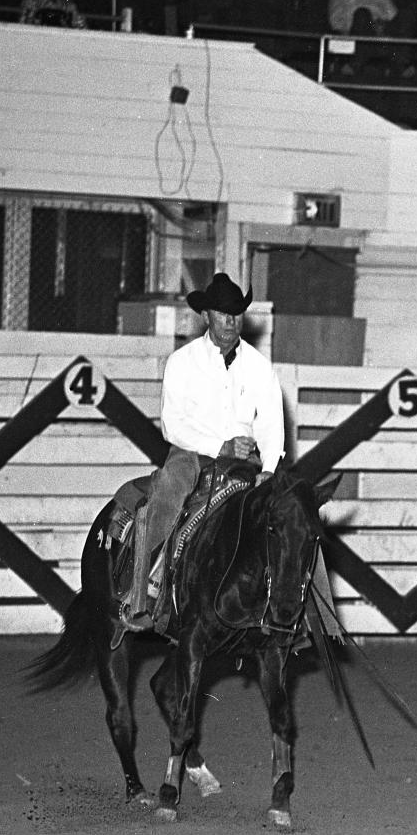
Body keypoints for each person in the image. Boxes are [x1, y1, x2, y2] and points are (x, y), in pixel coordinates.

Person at [121, 272, 287, 634]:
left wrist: (270, 468)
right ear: (207, 316)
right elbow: (171, 426)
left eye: (237, 314)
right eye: (223, 314)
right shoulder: (182, 362)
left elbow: (272, 423)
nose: (231, 321)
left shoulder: (259, 367)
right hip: (193, 454)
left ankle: (294, 613)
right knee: (170, 491)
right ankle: (142, 590)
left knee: (290, 514)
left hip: (245, 461)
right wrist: (220, 446)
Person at [327, 0, 400, 79]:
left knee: (403, 19)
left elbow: (394, 20)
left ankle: (357, 63)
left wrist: (380, 26)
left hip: (379, 39)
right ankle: (358, 62)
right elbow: (336, 23)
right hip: (350, 39)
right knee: (362, 14)